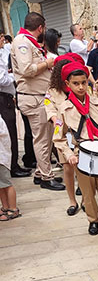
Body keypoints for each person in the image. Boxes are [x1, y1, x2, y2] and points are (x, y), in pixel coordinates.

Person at [53, 61, 98, 241]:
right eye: (76, 83)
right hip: (81, 155)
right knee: (87, 192)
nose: (80, 87)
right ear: (67, 84)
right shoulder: (64, 109)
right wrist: (69, 155)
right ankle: (93, 220)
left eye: (84, 82)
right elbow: (58, 138)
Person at [11, 12, 64, 191]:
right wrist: (48, 64)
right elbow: (27, 69)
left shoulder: (28, 42)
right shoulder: (22, 42)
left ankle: (41, 172)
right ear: (40, 28)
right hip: (33, 97)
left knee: (46, 138)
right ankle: (47, 177)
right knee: (42, 139)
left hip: (39, 96)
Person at [45, 53, 85, 215]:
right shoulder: (52, 92)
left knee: (83, 167)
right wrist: (58, 120)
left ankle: (85, 198)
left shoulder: (80, 88)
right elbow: (49, 109)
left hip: (81, 134)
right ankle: (72, 201)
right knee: (67, 167)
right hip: (63, 134)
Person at [0, 31, 30, 177]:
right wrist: (14, 75)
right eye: (1, 37)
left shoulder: (3, 52)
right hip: (3, 98)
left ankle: (13, 165)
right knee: (10, 133)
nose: (3, 40)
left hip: (6, 97)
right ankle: (12, 166)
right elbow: (2, 79)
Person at [0, 114, 20, 220]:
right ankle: (5, 207)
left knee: (6, 184)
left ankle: (13, 208)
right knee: (1, 185)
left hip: (1, 158)